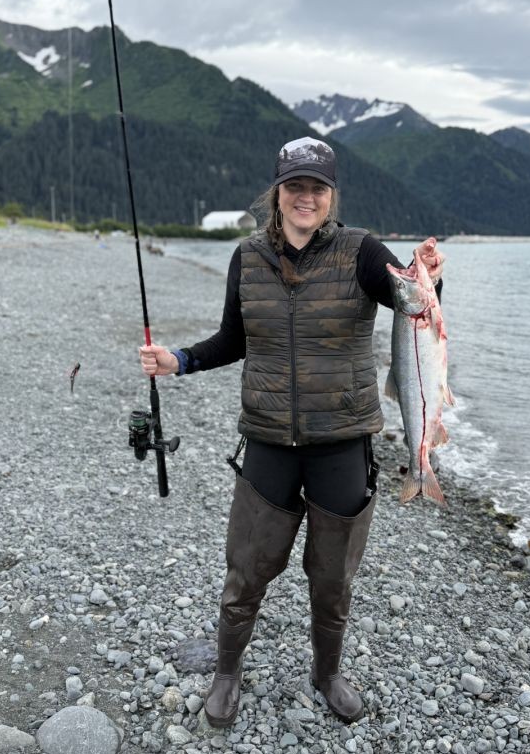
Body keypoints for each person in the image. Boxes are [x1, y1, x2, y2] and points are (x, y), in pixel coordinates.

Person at [139, 136, 444, 727]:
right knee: (247, 569)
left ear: (331, 196)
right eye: (295, 186)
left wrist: (430, 276)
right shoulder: (247, 257)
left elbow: (415, 310)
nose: (306, 197)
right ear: (277, 192)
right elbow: (233, 340)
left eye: (317, 188)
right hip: (268, 440)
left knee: (332, 578)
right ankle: (227, 672)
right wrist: (179, 360)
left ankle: (327, 673)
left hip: (343, 443)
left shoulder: (362, 252)